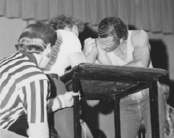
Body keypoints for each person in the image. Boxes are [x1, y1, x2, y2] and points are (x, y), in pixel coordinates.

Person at [83, 17, 167, 138]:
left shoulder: (138, 36)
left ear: (122, 39)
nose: (104, 47)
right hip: (125, 100)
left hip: (150, 95)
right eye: (102, 43)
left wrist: (108, 71)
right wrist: (89, 57)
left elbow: (140, 65)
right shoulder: (98, 45)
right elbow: (92, 102)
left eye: (108, 44)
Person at [0, 22, 79, 138]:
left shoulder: (6, 61)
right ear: (47, 49)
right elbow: (39, 133)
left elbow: (29, 109)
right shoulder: (35, 76)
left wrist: (62, 101)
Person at [45, 15, 89, 138]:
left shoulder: (46, 36)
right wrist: (89, 52)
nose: (78, 35)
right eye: (77, 32)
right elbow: (81, 68)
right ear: (72, 26)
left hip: (35, 84)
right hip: (53, 84)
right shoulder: (69, 36)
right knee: (69, 134)